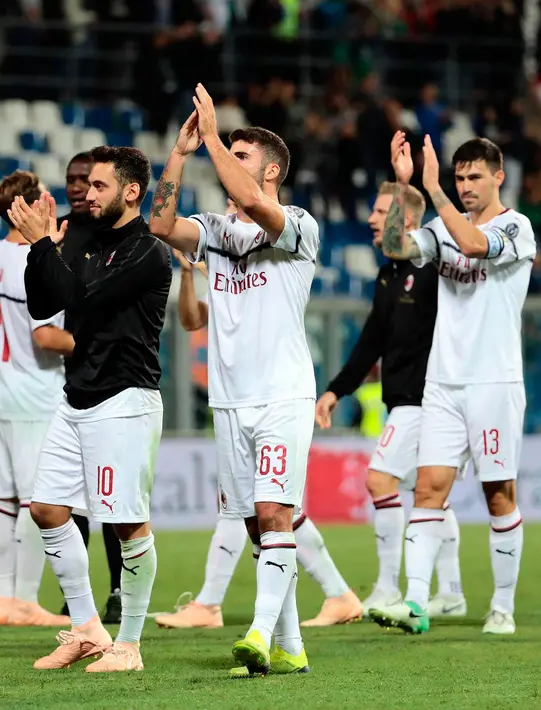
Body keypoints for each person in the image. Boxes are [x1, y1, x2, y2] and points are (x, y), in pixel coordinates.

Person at [148, 84, 320, 675]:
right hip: (228, 402)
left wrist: (217, 137)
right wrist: (180, 153)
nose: (230, 165)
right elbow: (160, 223)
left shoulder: (298, 225)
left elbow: (257, 203)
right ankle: (292, 646)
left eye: (242, 156)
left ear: (271, 170)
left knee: (276, 511)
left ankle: (257, 632)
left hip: (281, 396)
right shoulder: (217, 233)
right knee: (256, 524)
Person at [156, 200, 364, 631]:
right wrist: (190, 275)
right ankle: (336, 596)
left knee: (261, 512)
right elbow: (194, 320)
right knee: (267, 515)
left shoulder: (287, 238)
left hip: (277, 395)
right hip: (235, 399)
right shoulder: (222, 254)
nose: (230, 199)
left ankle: (215, 605)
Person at [370, 133, 536, 636]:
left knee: (498, 495)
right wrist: (404, 189)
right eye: (459, 177)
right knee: (428, 490)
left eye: (473, 177)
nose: (464, 186)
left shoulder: (517, 228)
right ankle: (417, 603)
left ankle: (502, 605)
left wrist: (432, 187)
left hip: (493, 381)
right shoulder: (441, 226)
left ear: (498, 177)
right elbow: (396, 245)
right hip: (442, 382)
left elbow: (473, 244)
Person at [14, 145, 169, 673]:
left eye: (100, 186)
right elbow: (42, 304)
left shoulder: (147, 250)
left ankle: (130, 644)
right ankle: (86, 629)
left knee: (127, 523)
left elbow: (81, 301)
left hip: (124, 399)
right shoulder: (83, 241)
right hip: (76, 395)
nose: (86, 193)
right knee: (47, 509)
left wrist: (43, 245)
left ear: (131, 191)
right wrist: (42, 250)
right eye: (86, 185)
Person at [315, 182, 468, 618]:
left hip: (428, 399)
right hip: (405, 399)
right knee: (429, 495)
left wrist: (405, 180)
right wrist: (335, 390)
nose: (372, 219)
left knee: (380, 481)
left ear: (409, 223)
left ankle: (387, 587)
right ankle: (452, 592)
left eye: (383, 212)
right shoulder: (387, 275)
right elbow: (371, 342)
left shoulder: (433, 269)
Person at [0, 170, 74, 629]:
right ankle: (26, 600)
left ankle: (1, 600)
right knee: (38, 501)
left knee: (2, 499)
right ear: (31, 206)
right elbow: (47, 335)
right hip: (37, 393)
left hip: (3, 392)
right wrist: (94, 341)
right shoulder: (33, 263)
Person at [56, 151, 125, 624]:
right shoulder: (58, 231)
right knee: (71, 498)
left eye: (89, 180)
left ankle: (119, 588)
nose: (80, 187)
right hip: (70, 378)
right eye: (73, 179)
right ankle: (76, 594)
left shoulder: (114, 232)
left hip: (116, 377)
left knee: (113, 500)